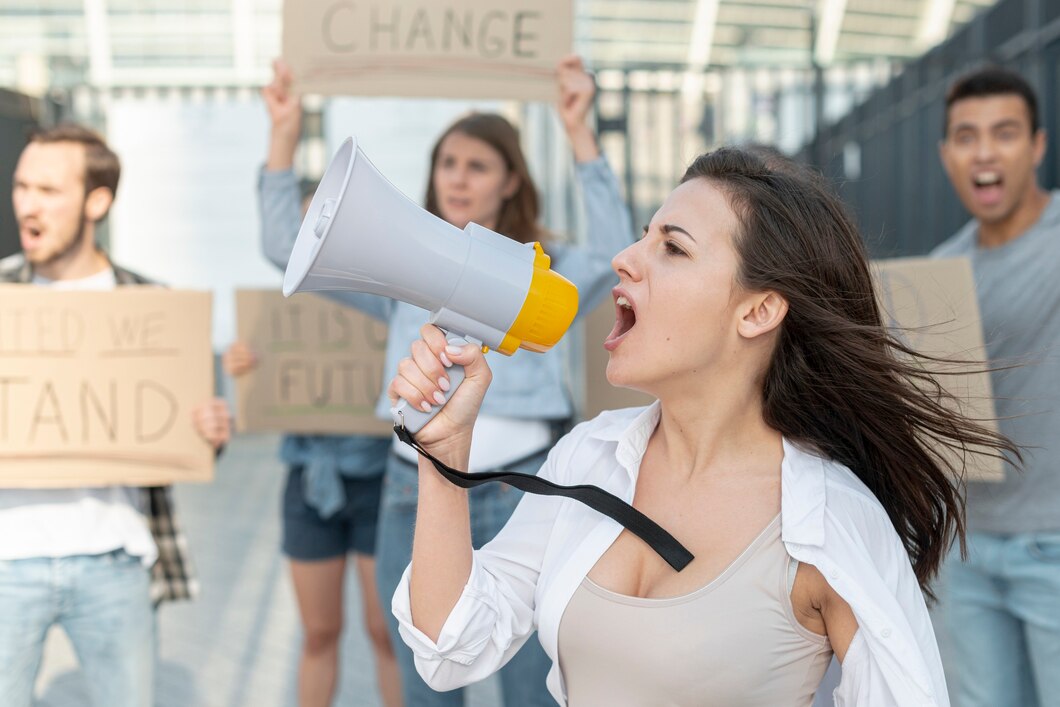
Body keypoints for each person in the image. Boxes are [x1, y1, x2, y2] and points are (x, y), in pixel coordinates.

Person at [387, 147, 1018, 706]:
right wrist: (443, 456)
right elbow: (450, 647)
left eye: (673, 247)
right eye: (643, 236)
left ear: (758, 310)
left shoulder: (826, 523)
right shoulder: (590, 457)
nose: (625, 260)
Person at [259, 56, 634, 705]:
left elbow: (615, 253)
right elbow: (283, 243)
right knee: (424, 680)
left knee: (531, 683)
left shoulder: (546, 267)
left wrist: (579, 131)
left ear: (512, 180)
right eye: (448, 163)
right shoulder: (401, 267)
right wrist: (284, 133)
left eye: (478, 165)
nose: (458, 177)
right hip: (414, 490)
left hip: (523, 487)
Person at [0, 123, 231, 707]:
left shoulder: (152, 305)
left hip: (115, 562)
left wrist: (209, 433)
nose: (28, 204)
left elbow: (185, 437)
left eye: (48, 190)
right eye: (22, 186)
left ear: (95, 201)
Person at [224, 59, 400, 707]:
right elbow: (257, 373)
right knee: (319, 630)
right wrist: (244, 367)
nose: (315, 245)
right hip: (309, 474)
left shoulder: (386, 298)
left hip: (380, 474)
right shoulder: (287, 310)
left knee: (386, 630)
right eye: (307, 230)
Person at [932, 66, 1060, 707]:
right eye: (966, 135)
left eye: (1004, 133)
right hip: (971, 548)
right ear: (946, 154)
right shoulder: (938, 272)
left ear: (1037, 146)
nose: (984, 151)